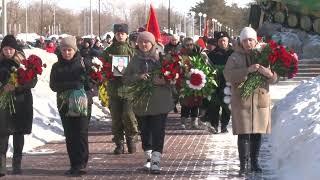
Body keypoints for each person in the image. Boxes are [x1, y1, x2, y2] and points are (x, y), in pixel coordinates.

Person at [223, 27, 278, 176]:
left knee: (257, 133)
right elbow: (228, 75)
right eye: (245, 40)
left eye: (251, 40)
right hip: (242, 101)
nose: (248, 43)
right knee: (244, 133)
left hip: (260, 99)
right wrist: (247, 70)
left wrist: (268, 73)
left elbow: (274, 78)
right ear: (241, 41)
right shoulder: (235, 57)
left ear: (255, 40)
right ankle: (243, 164)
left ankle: (255, 162)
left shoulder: (265, 55)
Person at [124, 31, 174, 174]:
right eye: (141, 42)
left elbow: (172, 76)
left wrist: (163, 80)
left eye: (147, 42)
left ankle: (156, 160)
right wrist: (138, 77)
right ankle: (148, 158)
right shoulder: (134, 60)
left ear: (153, 43)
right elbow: (125, 79)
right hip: (142, 103)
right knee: (145, 131)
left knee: (158, 131)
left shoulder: (162, 58)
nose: (144, 45)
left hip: (160, 102)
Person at [50, 36, 91, 176]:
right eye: (64, 50)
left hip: (81, 103)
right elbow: (53, 86)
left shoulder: (83, 63)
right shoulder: (56, 66)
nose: (67, 53)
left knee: (81, 132)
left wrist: (87, 80)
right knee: (70, 134)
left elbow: (90, 84)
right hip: (64, 104)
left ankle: (82, 164)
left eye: (69, 50)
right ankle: (74, 164)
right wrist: (71, 85)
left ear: (75, 50)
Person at [0, 35, 37, 176]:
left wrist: (16, 87)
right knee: (2, 133)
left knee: (18, 133)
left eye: (11, 49)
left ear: (15, 49)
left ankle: (17, 164)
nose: (8, 51)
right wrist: (4, 88)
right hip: (3, 103)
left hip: (21, 102)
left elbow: (32, 82)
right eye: (5, 49)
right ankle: (1, 167)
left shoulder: (24, 63)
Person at [102, 23, 139, 155]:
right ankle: (119, 143)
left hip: (129, 90)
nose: (120, 35)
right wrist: (107, 73)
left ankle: (131, 139)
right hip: (114, 89)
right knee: (116, 118)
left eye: (122, 33)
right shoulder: (108, 51)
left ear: (126, 35)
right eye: (118, 33)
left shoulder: (132, 50)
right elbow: (103, 67)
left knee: (129, 116)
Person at [204, 31, 234, 134]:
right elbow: (207, 67)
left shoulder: (233, 53)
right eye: (220, 41)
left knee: (227, 105)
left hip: (228, 83)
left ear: (228, 41)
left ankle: (224, 126)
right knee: (214, 106)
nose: (223, 43)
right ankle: (214, 126)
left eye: (224, 40)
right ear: (217, 42)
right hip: (215, 83)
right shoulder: (212, 54)